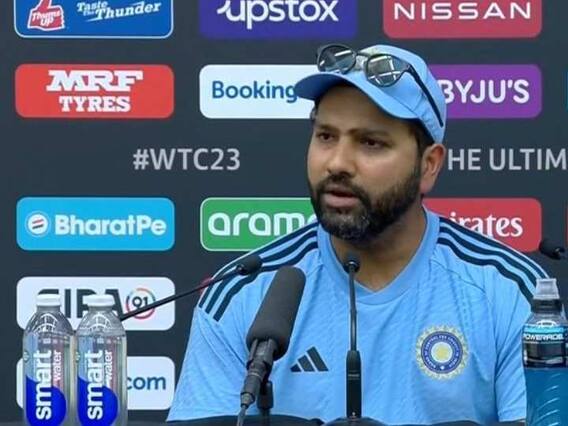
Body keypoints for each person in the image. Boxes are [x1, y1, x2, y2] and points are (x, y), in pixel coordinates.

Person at [167, 43, 548, 424]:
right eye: (326, 136)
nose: (337, 163)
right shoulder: (243, 293)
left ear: (429, 165)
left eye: (370, 143)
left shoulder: (512, 292)